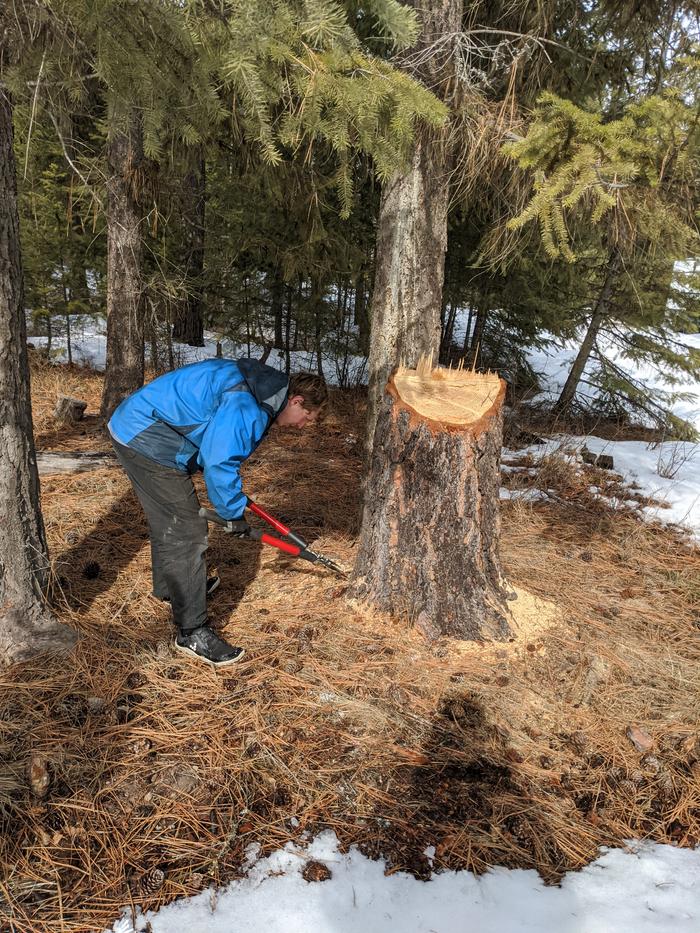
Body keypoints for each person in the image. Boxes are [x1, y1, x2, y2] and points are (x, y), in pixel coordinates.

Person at [108, 358, 328, 667]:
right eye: (307, 417)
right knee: (186, 529)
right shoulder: (248, 403)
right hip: (145, 437)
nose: (303, 426)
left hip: (142, 424)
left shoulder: (261, 388)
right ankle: (192, 632)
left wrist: (234, 503)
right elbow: (219, 461)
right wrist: (233, 514)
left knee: (170, 517)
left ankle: (174, 589)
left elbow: (218, 443)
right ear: (296, 400)